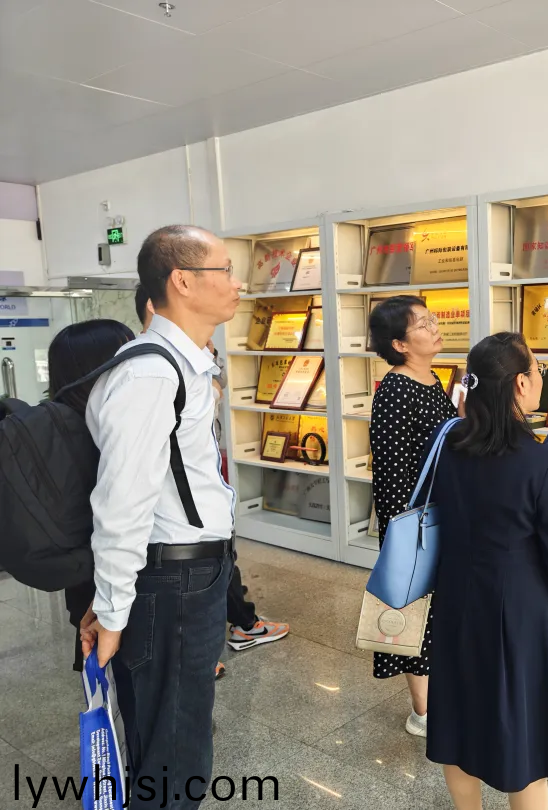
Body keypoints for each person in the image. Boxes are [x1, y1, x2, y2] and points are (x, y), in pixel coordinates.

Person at [79, 225, 241, 810]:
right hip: (172, 582)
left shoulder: (183, 363)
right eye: (225, 270)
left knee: (176, 734)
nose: (238, 283)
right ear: (182, 281)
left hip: (189, 576)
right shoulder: (150, 374)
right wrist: (113, 609)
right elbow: (121, 504)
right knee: (173, 752)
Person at [427, 332, 548, 810]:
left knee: (458, 722)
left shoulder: (448, 444)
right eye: (538, 370)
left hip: (455, 598)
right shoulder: (538, 461)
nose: (539, 378)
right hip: (519, 610)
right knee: (526, 737)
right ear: (521, 383)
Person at [135, 288, 289, 682]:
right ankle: (218, 641)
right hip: (178, 528)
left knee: (221, 569)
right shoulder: (152, 369)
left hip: (206, 507)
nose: (232, 286)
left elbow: (217, 388)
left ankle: (227, 634)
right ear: (156, 304)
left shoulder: (194, 356)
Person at [368, 295, 456, 737]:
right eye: (422, 324)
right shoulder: (396, 390)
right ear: (400, 344)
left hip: (440, 515)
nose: (434, 327)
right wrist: (401, 536)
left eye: (431, 319)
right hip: (414, 523)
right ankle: (423, 711)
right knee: (414, 610)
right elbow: (390, 472)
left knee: (437, 612)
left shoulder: (431, 378)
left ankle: (440, 695)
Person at [45, 319, 136, 673]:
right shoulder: (104, 427)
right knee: (130, 672)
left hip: (79, 571)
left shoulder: (55, 424)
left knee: (98, 667)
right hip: (113, 575)